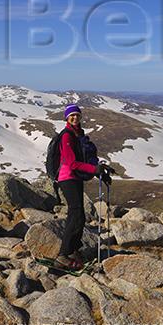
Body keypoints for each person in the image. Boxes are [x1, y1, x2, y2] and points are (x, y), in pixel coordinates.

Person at [54, 103, 109, 270]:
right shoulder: (66, 136)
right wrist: (93, 170)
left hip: (75, 177)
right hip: (67, 177)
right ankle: (63, 254)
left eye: (77, 115)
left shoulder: (79, 135)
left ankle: (73, 251)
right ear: (66, 118)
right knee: (76, 213)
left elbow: (86, 158)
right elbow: (71, 163)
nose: (75, 117)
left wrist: (101, 171)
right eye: (72, 115)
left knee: (80, 216)